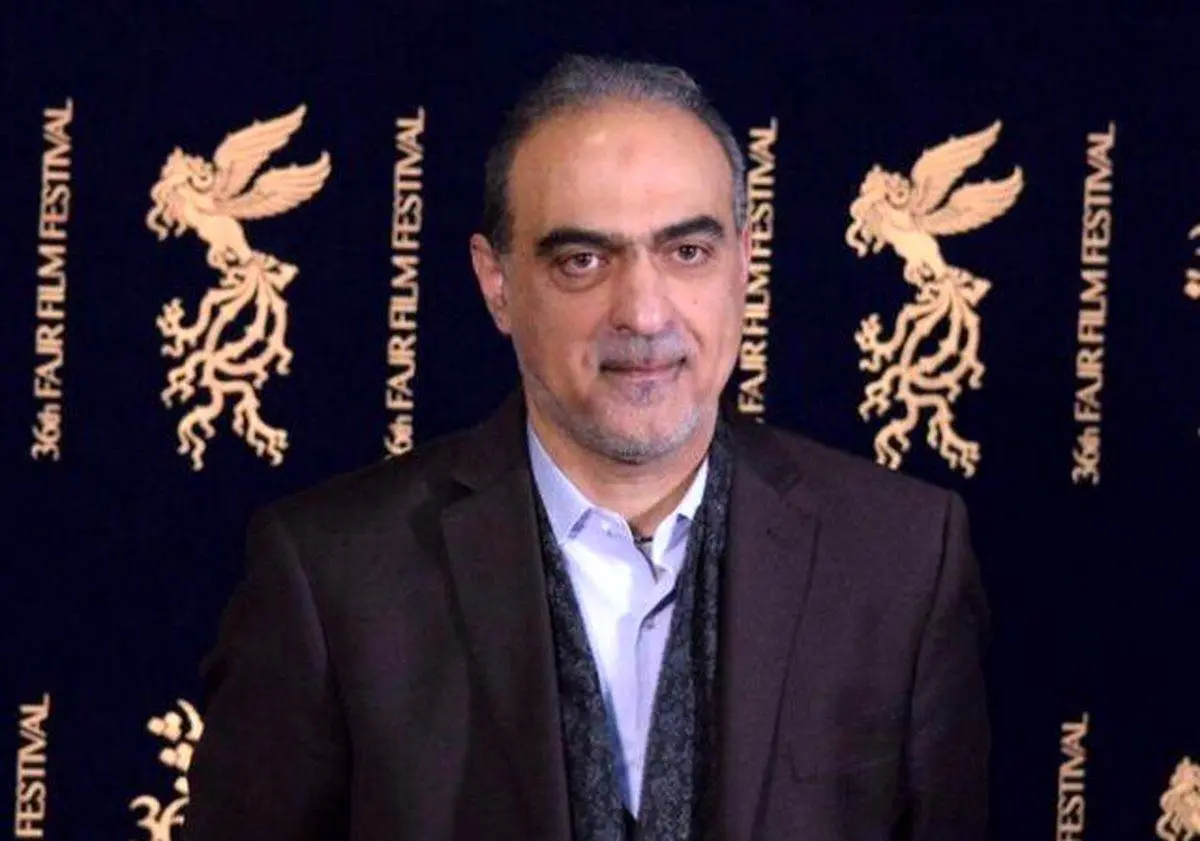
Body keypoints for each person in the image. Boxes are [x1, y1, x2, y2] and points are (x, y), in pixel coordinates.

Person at [182, 54, 990, 841]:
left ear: (744, 264)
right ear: (497, 283)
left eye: (687, 252)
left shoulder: (903, 561)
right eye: (583, 260)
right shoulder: (332, 578)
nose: (643, 312)